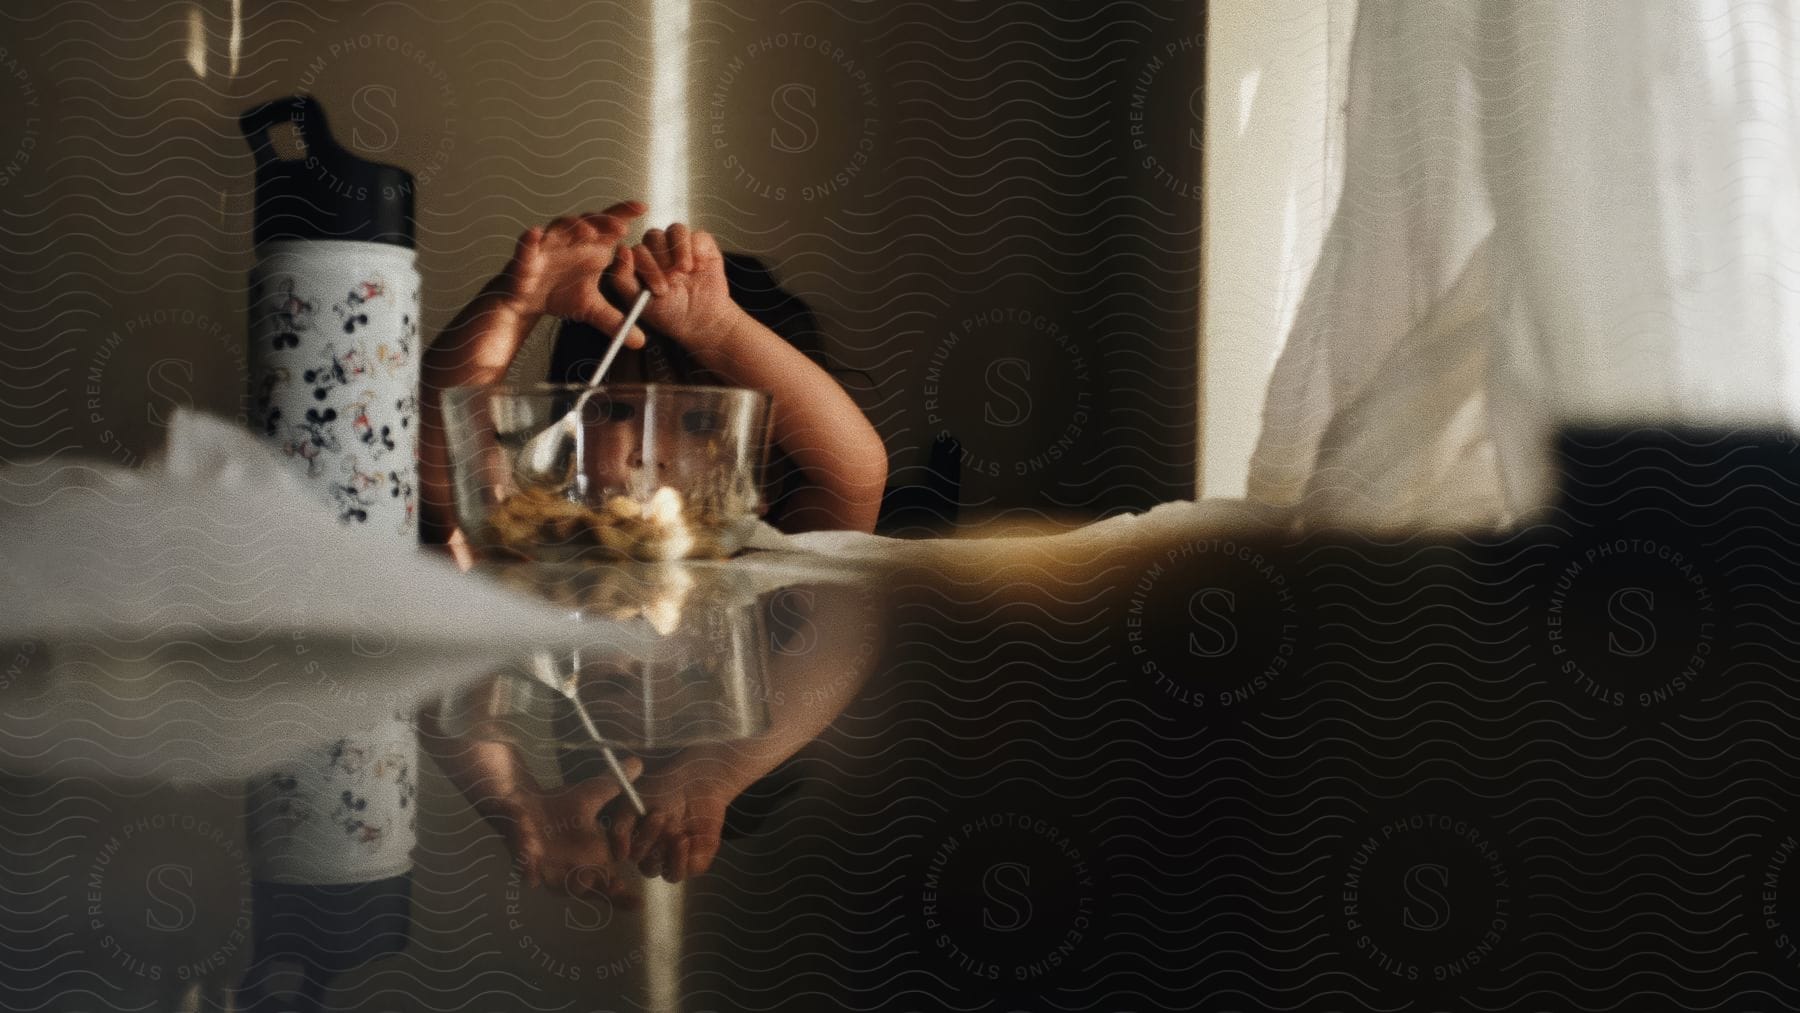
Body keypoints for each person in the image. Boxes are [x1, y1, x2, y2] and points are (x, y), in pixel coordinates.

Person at [419, 200, 887, 547]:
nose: (649, 454)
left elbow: (857, 475)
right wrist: (513, 308)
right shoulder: (544, 534)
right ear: (570, 423)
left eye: (701, 422)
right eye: (620, 410)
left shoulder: (779, 545)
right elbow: (434, 460)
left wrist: (718, 330)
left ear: (769, 465)